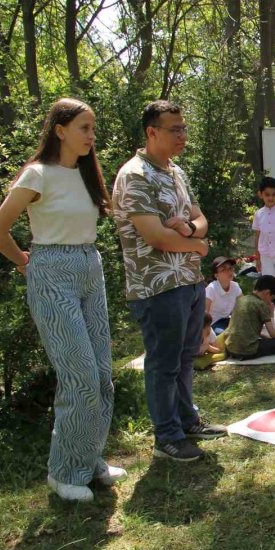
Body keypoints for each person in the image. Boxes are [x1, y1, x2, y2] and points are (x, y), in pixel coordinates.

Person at [0, 98, 123, 501]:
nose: (91, 136)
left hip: (89, 268)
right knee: (79, 376)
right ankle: (64, 473)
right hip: (52, 271)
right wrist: (23, 262)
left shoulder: (85, 175)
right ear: (60, 130)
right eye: (84, 127)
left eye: (93, 128)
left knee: (101, 374)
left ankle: (89, 458)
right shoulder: (38, 174)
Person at [112, 100, 226, 463]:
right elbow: (156, 238)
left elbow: (199, 217)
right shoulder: (134, 175)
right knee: (163, 363)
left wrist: (192, 230)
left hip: (188, 281)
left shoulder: (175, 171)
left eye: (183, 128)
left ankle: (187, 422)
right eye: (174, 129)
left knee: (185, 357)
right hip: (156, 287)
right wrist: (198, 244)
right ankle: (167, 437)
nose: (182, 135)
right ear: (151, 132)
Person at [223, 275, 275, 359]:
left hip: (230, 348)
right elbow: (273, 334)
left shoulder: (241, 299)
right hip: (248, 351)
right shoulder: (261, 304)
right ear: (267, 293)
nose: (271, 302)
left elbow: (249, 329)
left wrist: (266, 338)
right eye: (271, 299)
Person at [205, 256, 243, 334]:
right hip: (213, 324)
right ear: (216, 275)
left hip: (228, 321)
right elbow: (204, 313)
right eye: (224, 269)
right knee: (225, 334)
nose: (229, 271)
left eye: (230, 268)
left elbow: (243, 307)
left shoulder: (235, 286)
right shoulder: (211, 289)